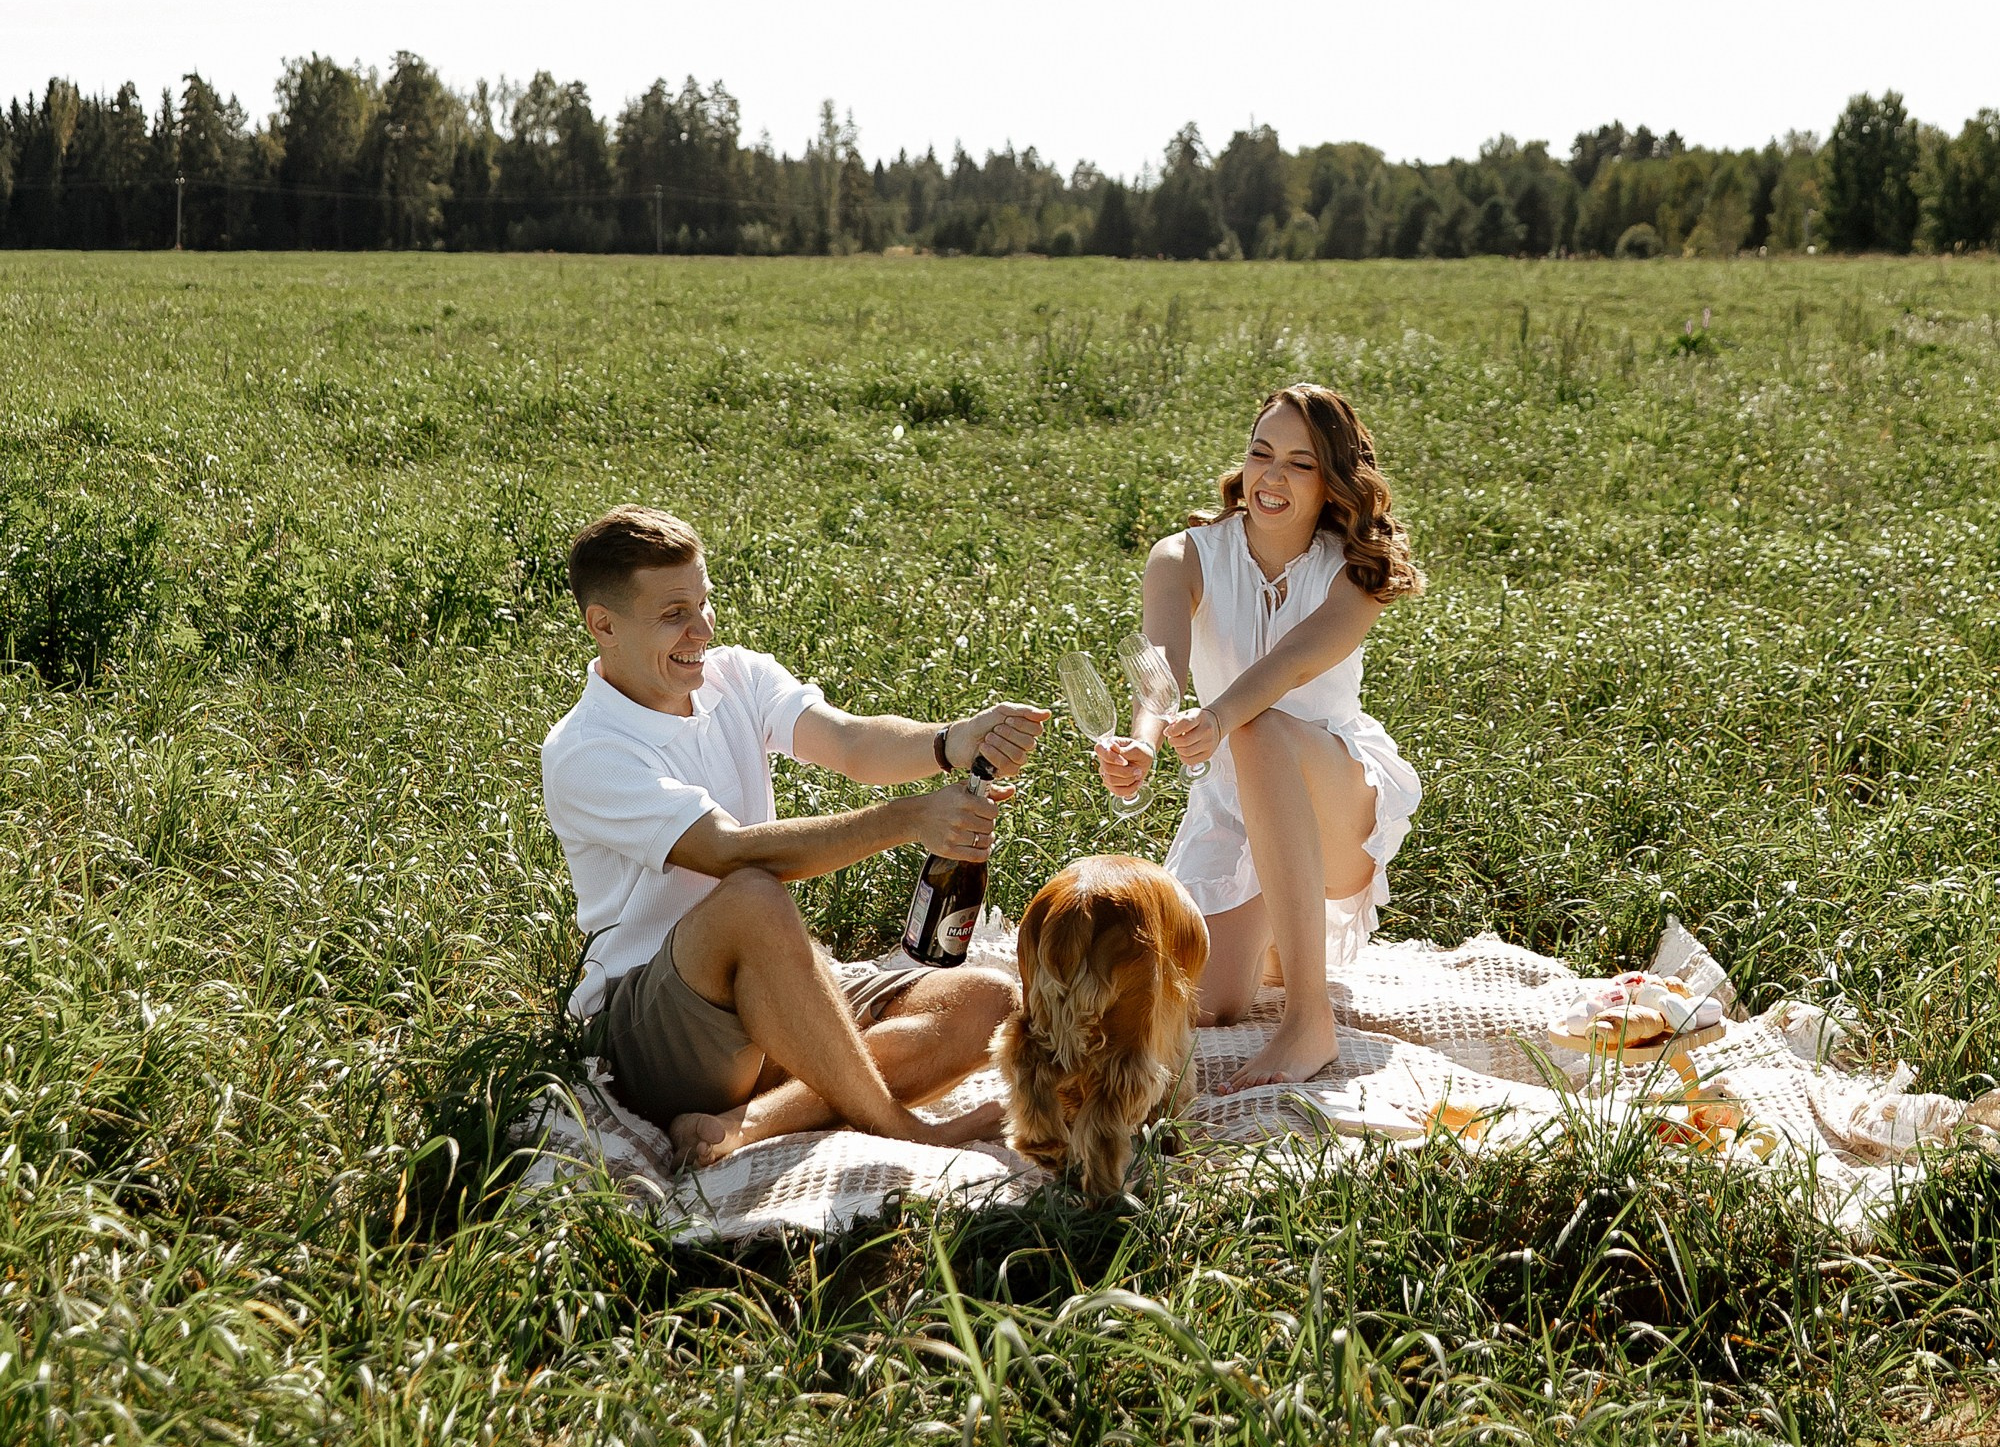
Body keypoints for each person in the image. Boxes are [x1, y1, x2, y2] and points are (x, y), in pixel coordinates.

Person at [543, 505, 1046, 1167]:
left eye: (705, 602)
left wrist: (952, 742)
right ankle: (900, 1126)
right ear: (602, 625)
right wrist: (908, 819)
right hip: (658, 1026)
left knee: (988, 1004)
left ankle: (752, 1121)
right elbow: (725, 851)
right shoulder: (584, 750)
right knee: (752, 895)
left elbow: (850, 742)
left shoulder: (736, 676)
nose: (702, 630)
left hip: (772, 989)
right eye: (674, 615)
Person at [1095, 384, 1423, 1087]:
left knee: (1259, 727)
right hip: (1232, 798)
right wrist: (1146, 742)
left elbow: (1289, 666)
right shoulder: (1182, 557)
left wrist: (1216, 718)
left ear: (1334, 480)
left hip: (1336, 795)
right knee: (1209, 1004)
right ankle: (1274, 924)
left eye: (1300, 464)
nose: (1271, 477)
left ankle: (1309, 1022)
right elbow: (1162, 666)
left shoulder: (1354, 572)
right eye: (1260, 454)